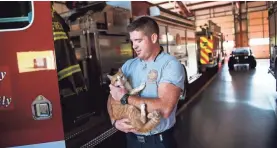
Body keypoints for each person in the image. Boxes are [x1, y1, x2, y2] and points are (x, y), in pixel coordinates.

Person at [108, 16, 185, 148]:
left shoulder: (170, 65)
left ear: (153, 38)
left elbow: (165, 109)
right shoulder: (128, 65)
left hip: (158, 141)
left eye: (138, 40)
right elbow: (112, 96)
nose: (134, 46)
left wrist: (125, 98)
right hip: (132, 140)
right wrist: (114, 121)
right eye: (132, 41)